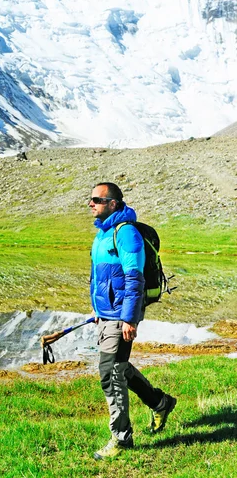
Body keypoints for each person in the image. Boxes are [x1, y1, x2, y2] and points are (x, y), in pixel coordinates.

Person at [88, 182, 177, 460]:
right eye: (90, 200)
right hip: (107, 314)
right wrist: (97, 310)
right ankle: (160, 403)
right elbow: (101, 277)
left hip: (122, 316)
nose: (91, 204)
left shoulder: (126, 234)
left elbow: (133, 279)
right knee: (120, 368)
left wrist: (129, 318)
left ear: (112, 204)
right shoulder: (102, 234)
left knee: (110, 373)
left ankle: (121, 438)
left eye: (96, 200)